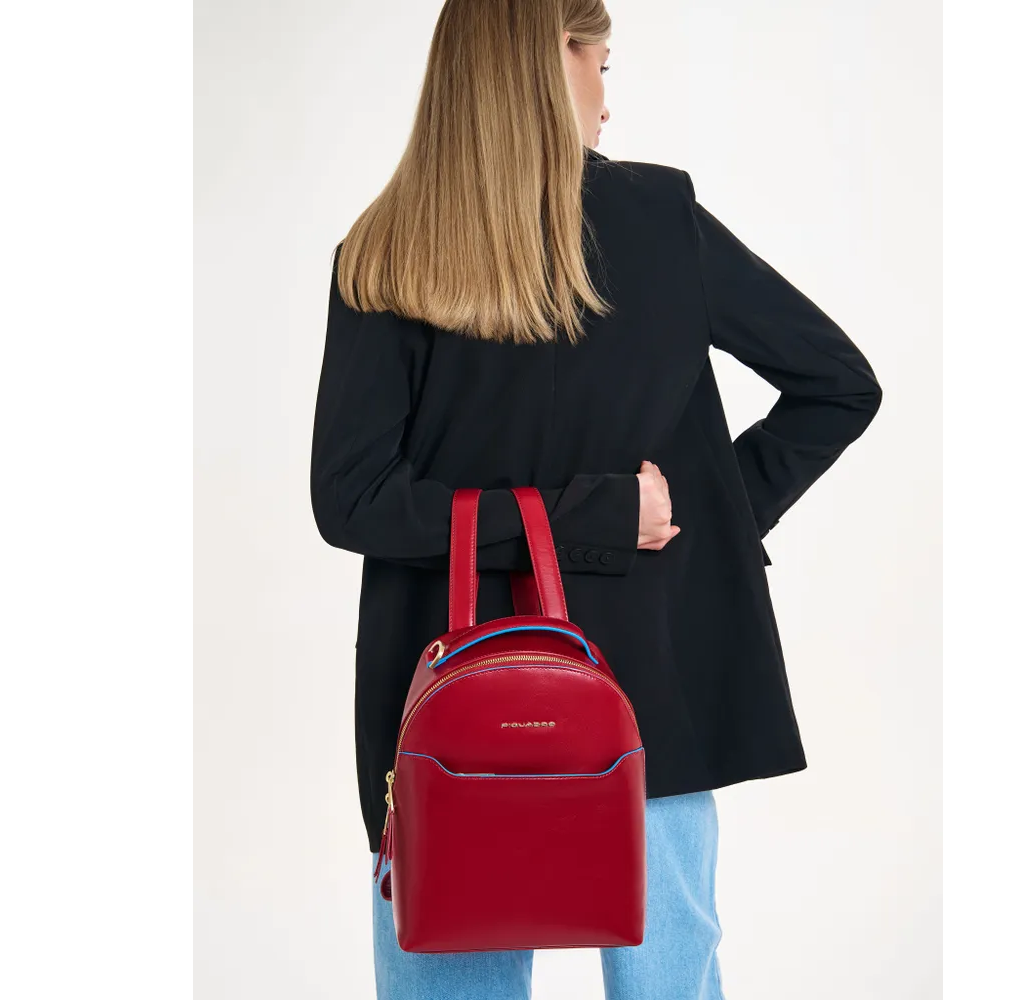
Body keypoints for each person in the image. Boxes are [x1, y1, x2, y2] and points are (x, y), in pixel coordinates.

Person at [310, 1, 882, 996]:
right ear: (552, 62)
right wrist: (632, 520)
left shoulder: (387, 246)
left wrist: (682, 518)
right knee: (667, 977)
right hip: (643, 679)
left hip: (446, 688)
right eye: (601, 64)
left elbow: (354, 500)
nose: (606, 103)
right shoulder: (655, 221)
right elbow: (836, 383)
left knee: (452, 973)